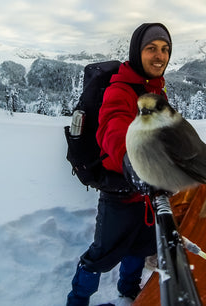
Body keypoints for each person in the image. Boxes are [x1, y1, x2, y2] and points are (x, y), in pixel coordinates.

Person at [66, 23, 172, 306]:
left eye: (164, 49)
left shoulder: (156, 91)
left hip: (146, 194)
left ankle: (128, 293)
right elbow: (112, 129)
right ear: (137, 52)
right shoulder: (121, 89)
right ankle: (77, 300)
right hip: (119, 194)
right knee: (101, 254)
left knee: (140, 246)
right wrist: (132, 161)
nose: (159, 55)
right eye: (151, 48)